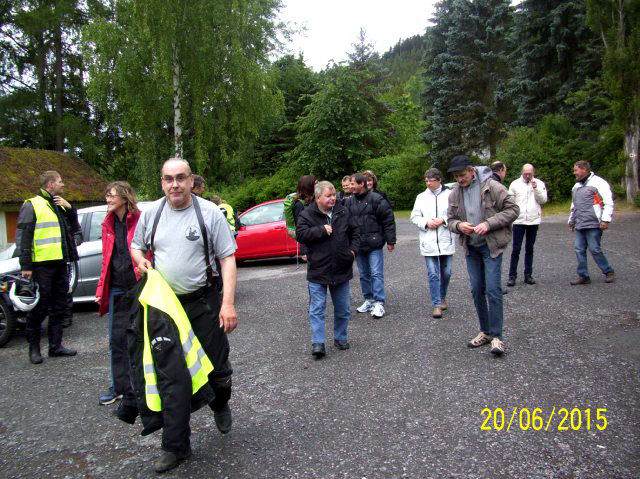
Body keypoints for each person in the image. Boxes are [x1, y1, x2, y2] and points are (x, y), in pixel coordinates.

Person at [129, 158, 238, 473]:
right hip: (166, 308)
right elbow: (136, 246)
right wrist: (140, 260)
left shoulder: (210, 213)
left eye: (180, 178)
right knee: (172, 377)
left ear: (191, 180)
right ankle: (176, 446)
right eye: (168, 179)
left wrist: (228, 304)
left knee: (217, 370)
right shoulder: (153, 213)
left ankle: (220, 403)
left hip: (203, 302)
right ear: (162, 182)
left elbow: (227, 259)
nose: (174, 184)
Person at [447, 155, 518, 356]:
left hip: (490, 246)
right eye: (456, 176)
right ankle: (485, 332)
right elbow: (450, 220)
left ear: (472, 170)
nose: (459, 179)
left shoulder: (492, 186)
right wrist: (459, 226)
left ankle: (497, 337)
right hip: (471, 247)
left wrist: (489, 223)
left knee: (493, 289)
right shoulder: (455, 193)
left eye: (462, 175)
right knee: (477, 289)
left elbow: (513, 209)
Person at [16, 171, 79, 364]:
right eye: (60, 181)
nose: (63, 184)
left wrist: (70, 208)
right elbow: (24, 236)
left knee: (60, 306)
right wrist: (26, 265)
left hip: (60, 263)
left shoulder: (59, 204)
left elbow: (73, 228)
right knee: (39, 308)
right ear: (50, 184)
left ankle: (55, 347)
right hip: (41, 266)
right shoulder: (32, 204)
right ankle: (34, 349)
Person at [296, 181, 360, 359]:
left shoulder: (343, 211)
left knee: (343, 309)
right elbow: (300, 235)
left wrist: (353, 252)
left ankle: (341, 338)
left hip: (341, 268)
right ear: (318, 198)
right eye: (328, 196)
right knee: (317, 309)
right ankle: (318, 343)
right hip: (318, 269)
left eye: (334, 195)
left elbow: (355, 233)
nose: (333, 198)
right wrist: (320, 230)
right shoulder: (307, 214)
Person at [95, 181, 143, 406]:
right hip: (116, 288)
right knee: (116, 340)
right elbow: (106, 260)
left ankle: (142, 386)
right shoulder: (108, 223)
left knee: (140, 338)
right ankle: (119, 388)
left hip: (137, 287)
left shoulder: (140, 219)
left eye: (111, 195)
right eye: (107, 195)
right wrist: (100, 289)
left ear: (125, 197)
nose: (108, 199)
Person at [346, 173, 396, 319]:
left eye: (353, 183)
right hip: (358, 245)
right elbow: (345, 223)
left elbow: (388, 220)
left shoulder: (376, 199)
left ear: (361, 184)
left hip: (374, 243)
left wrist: (390, 240)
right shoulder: (348, 202)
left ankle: (379, 302)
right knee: (364, 274)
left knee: (376, 273)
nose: (350, 186)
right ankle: (369, 300)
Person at [410, 168, 455, 318]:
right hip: (428, 240)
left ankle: (442, 296)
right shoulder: (421, 197)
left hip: (445, 239)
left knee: (447, 272)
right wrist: (426, 222)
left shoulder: (450, 195)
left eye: (431, 180)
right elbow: (414, 216)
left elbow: (455, 213)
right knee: (433, 273)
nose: (428, 183)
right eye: (426, 181)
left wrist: (443, 220)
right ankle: (436, 305)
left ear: (439, 180)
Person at [568, 160, 615, 285]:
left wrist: (605, 219)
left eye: (576, 170)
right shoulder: (576, 186)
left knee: (594, 249)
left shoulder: (599, 183)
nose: (574, 173)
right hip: (579, 223)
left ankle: (608, 271)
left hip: (594, 223)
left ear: (584, 169)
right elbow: (574, 206)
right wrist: (571, 221)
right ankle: (583, 275)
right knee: (579, 249)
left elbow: (608, 202)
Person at [507, 164, 547, 286]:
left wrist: (536, 189)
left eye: (530, 173)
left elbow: (543, 200)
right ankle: (512, 276)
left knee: (530, 248)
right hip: (518, 221)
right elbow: (510, 202)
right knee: (516, 249)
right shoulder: (514, 184)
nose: (528, 176)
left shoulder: (539, 183)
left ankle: (528, 275)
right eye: (525, 173)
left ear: (533, 172)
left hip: (533, 220)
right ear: (522, 172)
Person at [292, 175, 317, 261]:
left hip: (317, 239)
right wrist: (304, 250)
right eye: (315, 183)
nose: (318, 185)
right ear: (309, 186)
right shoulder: (299, 205)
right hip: (310, 244)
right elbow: (300, 229)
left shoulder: (313, 200)